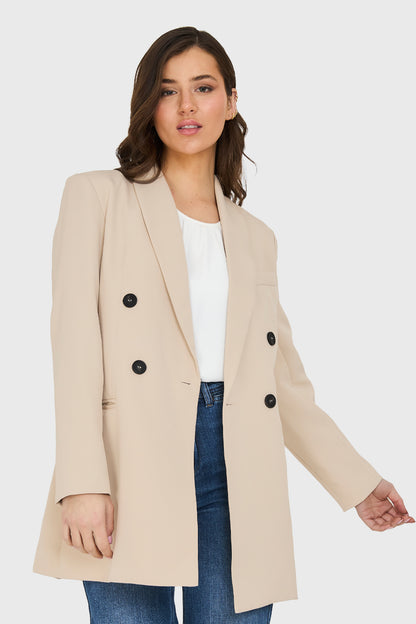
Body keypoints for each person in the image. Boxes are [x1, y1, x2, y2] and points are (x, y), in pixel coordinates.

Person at [33, 26, 414, 623]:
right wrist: (82, 481)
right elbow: (74, 343)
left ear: (231, 101)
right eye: (168, 90)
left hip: (236, 457)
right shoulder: (96, 197)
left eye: (204, 88)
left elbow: (281, 384)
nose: (186, 106)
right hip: (129, 458)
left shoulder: (255, 237)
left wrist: (358, 483)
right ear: (149, 105)